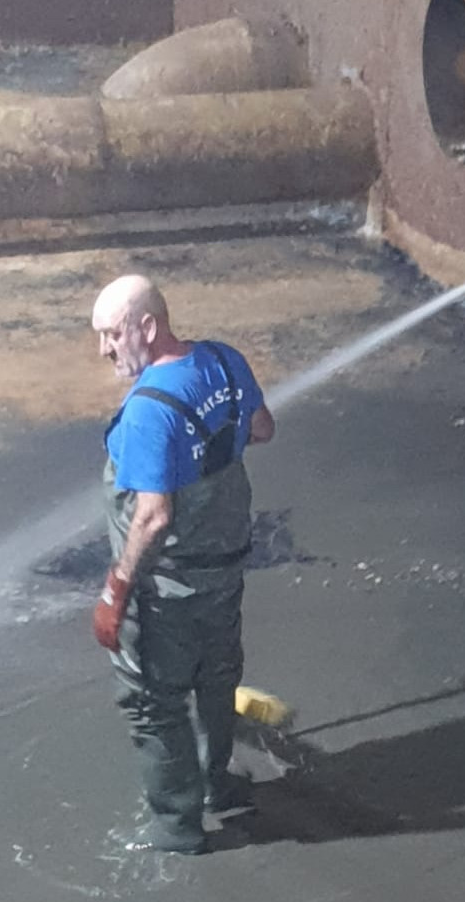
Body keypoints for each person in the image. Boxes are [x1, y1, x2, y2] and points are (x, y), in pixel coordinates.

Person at [91, 274, 275, 854]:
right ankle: (216, 784)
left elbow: (153, 516)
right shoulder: (223, 360)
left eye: (113, 334)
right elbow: (263, 428)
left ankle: (176, 825)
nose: (105, 350)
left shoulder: (148, 410)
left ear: (148, 326)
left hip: (166, 589)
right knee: (218, 679)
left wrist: (115, 589)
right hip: (224, 569)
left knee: (153, 701)